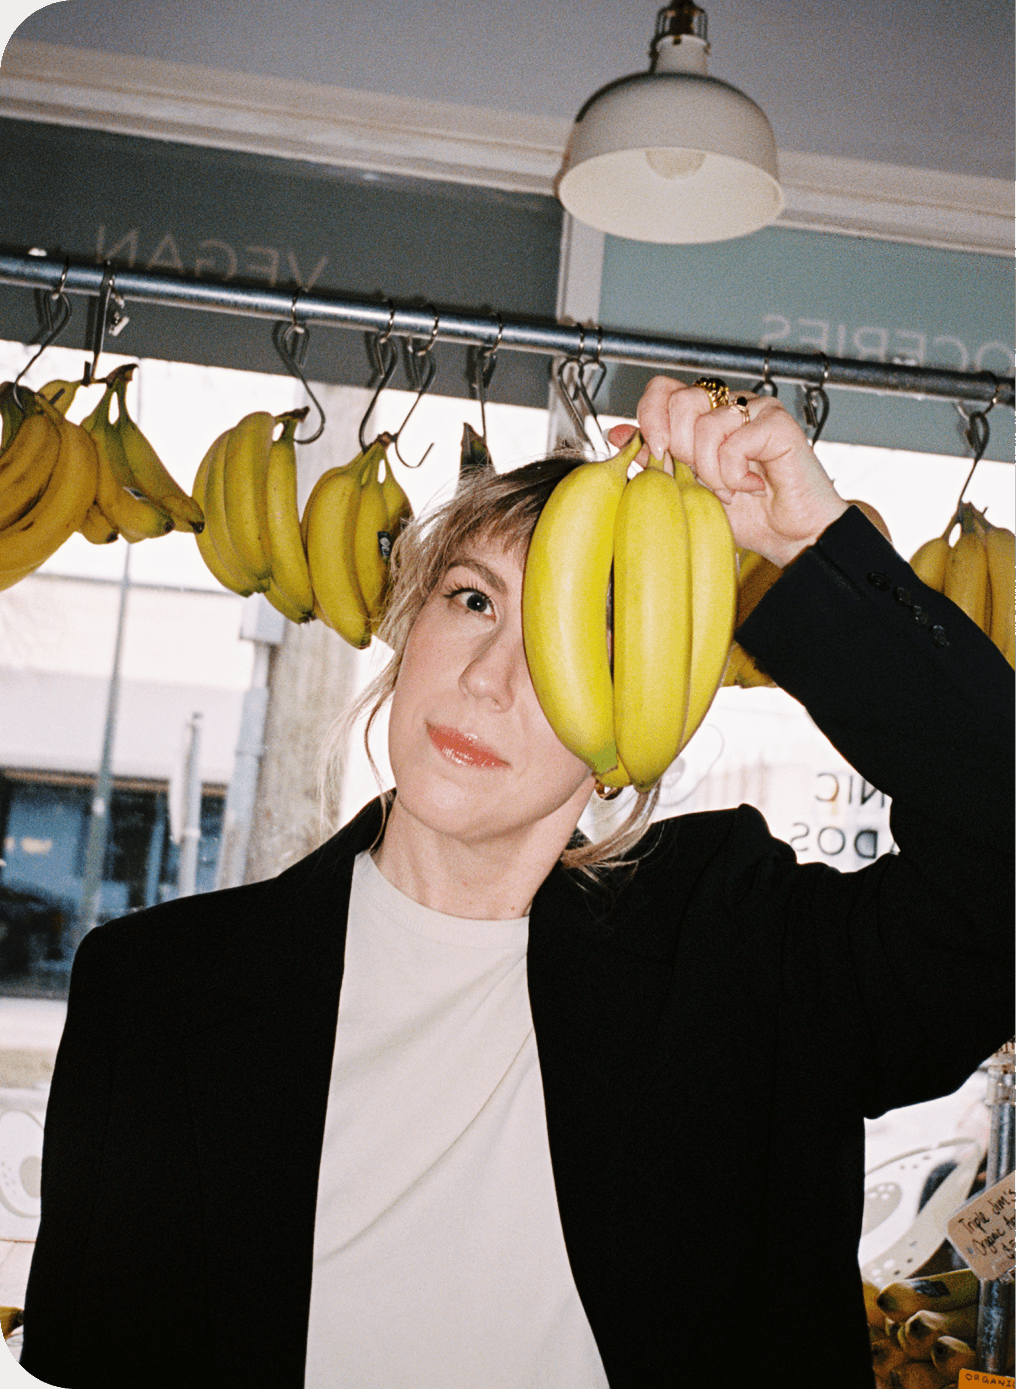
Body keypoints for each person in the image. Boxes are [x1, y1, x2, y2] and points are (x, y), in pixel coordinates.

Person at [19, 377, 1014, 1389]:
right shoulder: (154, 988)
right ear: (410, 626)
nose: (488, 677)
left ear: (643, 695)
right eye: (473, 600)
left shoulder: (739, 950)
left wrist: (808, 546)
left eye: (565, 633)